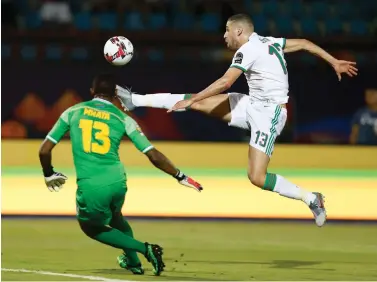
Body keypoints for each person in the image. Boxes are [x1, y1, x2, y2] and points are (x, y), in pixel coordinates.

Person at [116, 14, 359, 227]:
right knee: (197, 100)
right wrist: (333, 61)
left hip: (270, 114)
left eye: (226, 30)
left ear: (239, 31)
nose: (224, 36)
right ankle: (135, 99)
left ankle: (311, 198)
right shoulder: (270, 41)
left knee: (257, 177)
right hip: (251, 105)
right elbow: (305, 43)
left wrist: (192, 101)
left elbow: (225, 82)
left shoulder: (248, 50)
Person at [39, 74, 203, 276]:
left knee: (92, 227)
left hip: (92, 186)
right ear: (116, 94)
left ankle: (146, 249)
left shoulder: (73, 112)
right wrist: (179, 175)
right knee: (116, 218)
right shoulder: (124, 119)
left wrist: (48, 173)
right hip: (118, 182)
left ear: (92, 92)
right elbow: (152, 154)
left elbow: (44, 150)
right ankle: (133, 263)